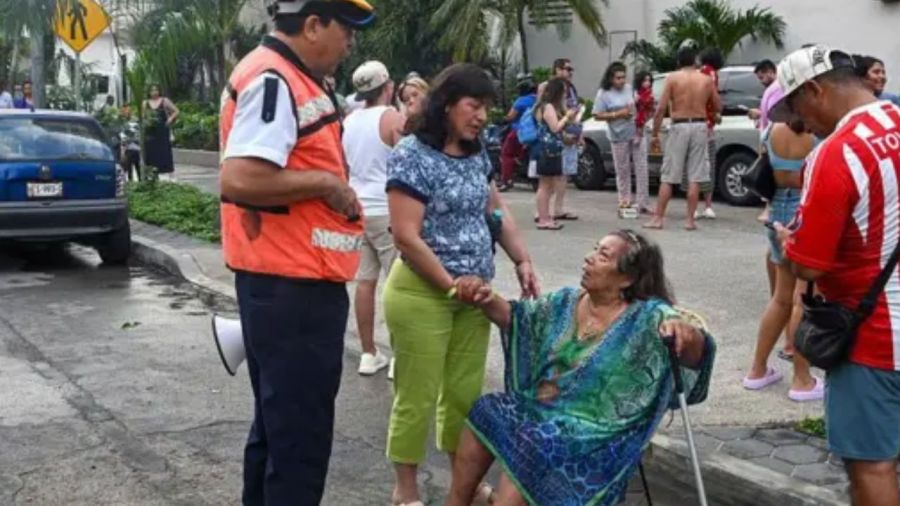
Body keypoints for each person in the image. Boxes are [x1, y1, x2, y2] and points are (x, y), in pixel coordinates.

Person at [217, 0, 375, 503]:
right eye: (345, 29)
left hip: (287, 285)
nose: (350, 43)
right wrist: (326, 185)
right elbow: (241, 178)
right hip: (294, 290)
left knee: (277, 436)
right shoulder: (274, 78)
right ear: (312, 25)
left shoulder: (288, 77)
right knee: (299, 445)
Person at [443, 230, 716, 506]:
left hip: (598, 431)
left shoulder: (648, 316)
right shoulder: (566, 302)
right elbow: (517, 319)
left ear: (627, 278)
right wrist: (485, 297)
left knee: (533, 445)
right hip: (543, 410)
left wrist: (687, 333)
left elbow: (696, 351)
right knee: (487, 409)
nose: (588, 258)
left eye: (602, 256)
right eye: (594, 249)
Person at [384, 63, 538, 506]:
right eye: (474, 105)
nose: (482, 116)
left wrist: (522, 258)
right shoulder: (413, 154)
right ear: (447, 104)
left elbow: (494, 210)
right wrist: (452, 285)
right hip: (421, 293)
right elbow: (406, 236)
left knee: (463, 397)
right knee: (416, 394)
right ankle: (406, 489)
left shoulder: (476, 152)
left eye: (488, 107)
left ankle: (462, 487)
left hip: (475, 296)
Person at [770, 45, 900, 506]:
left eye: (796, 108)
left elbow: (809, 265)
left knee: (873, 464)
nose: (799, 123)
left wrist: (790, 243)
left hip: (875, 339)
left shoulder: (837, 153)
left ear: (815, 91)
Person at [742, 115, 823, 402]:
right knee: (803, 299)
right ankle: (801, 379)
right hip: (804, 211)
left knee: (780, 297)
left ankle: (757, 369)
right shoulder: (818, 133)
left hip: (777, 211)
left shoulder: (771, 131)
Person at [343, 60, 405, 377]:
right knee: (397, 285)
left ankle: (369, 353)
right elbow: (407, 161)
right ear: (388, 87)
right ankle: (399, 356)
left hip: (357, 210)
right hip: (386, 209)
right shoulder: (391, 117)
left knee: (365, 283)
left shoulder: (349, 121)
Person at [645, 46, 721, 231]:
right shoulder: (705, 80)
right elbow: (718, 105)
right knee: (695, 175)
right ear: (695, 61)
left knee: (669, 175)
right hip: (700, 124)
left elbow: (661, 108)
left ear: (678, 62)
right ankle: (690, 220)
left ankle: (658, 218)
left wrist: (655, 133)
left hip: (679, 124)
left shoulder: (673, 78)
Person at [593, 62, 649, 213]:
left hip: (636, 131)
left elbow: (637, 105)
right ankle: (625, 201)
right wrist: (617, 114)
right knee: (622, 169)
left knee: (642, 167)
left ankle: (643, 202)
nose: (622, 81)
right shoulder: (603, 93)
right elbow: (597, 114)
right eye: (618, 78)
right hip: (618, 135)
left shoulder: (629, 89)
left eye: (623, 77)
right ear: (611, 78)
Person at [537, 59, 581, 222]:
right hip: (548, 147)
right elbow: (554, 126)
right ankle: (543, 215)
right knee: (546, 184)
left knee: (557, 178)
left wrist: (571, 123)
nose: (569, 72)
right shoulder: (547, 105)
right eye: (566, 69)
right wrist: (566, 118)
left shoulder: (556, 104)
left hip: (557, 145)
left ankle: (551, 212)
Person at [695, 48, 724, 220]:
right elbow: (712, 98)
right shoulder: (711, 73)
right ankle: (707, 205)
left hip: (699, 122)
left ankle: (697, 205)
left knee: (697, 165)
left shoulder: (702, 72)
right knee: (708, 165)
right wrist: (716, 113)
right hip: (707, 124)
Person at [497, 74, 536, 192]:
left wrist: (501, 119)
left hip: (519, 132)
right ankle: (519, 160)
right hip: (535, 132)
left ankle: (506, 181)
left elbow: (510, 117)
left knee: (506, 154)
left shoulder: (521, 101)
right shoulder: (537, 99)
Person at [143, 85, 179, 179]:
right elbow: (143, 116)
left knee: (165, 150)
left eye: (156, 90)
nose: (154, 92)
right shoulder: (145, 103)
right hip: (150, 131)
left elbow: (176, 111)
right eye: (152, 90)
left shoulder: (164, 101)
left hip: (162, 130)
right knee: (150, 151)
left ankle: (170, 173)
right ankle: (152, 172)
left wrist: (170, 119)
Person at [748, 60, 778, 129]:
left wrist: (759, 114)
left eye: (761, 78)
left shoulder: (778, 90)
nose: (761, 81)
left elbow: (779, 115)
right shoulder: (769, 90)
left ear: (770, 72)